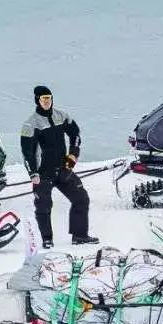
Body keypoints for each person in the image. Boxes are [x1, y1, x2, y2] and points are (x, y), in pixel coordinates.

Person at [20, 86, 96, 249]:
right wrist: (33, 173)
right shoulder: (30, 124)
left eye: (49, 98)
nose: (47, 101)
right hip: (43, 173)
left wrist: (73, 156)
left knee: (81, 198)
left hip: (63, 169)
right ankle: (47, 239)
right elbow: (28, 153)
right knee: (44, 205)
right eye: (43, 98)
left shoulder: (61, 116)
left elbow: (75, 134)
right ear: (37, 100)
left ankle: (79, 235)